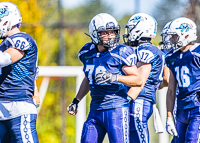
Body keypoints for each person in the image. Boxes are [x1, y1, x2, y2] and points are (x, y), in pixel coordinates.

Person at [67, 13, 143, 143]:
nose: (110, 35)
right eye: (105, 33)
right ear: (94, 34)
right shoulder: (87, 52)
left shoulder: (121, 52)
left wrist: (114, 77)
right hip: (95, 110)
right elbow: (88, 78)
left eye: (112, 32)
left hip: (116, 109)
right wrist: (76, 100)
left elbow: (138, 80)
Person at [0, 2, 39, 142]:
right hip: (2, 108)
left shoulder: (22, 38)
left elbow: (5, 59)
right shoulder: (4, 43)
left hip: (19, 108)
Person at [123, 13, 165, 143]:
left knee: (138, 134)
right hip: (141, 98)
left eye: (131, 29)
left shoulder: (145, 50)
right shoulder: (149, 49)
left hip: (139, 98)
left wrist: (125, 99)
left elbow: (139, 81)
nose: (128, 33)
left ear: (139, 29)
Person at [165, 17, 200, 142]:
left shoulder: (197, 53)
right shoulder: (172, 57)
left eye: (174, 36)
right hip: (181, 108)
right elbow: (171, 90)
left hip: (197, 108)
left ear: (186, 35)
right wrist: (169, 116)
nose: (171, 39)